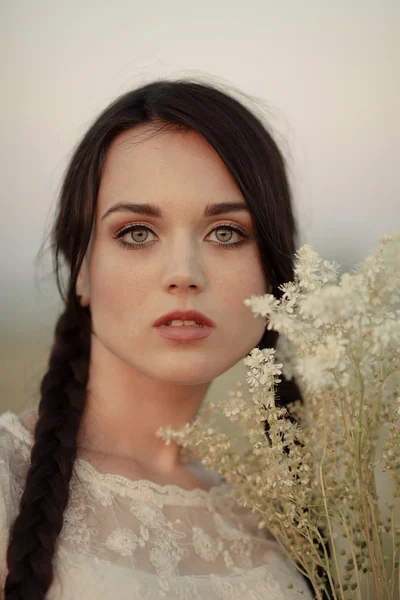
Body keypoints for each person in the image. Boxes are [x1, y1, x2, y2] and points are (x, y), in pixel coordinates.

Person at [0, 78, 329, 599]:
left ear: (275, 272)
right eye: (136, 232)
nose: (184, 273)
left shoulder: (277, 528)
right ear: (81, 269)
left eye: (226, 233)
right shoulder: (6, 485)